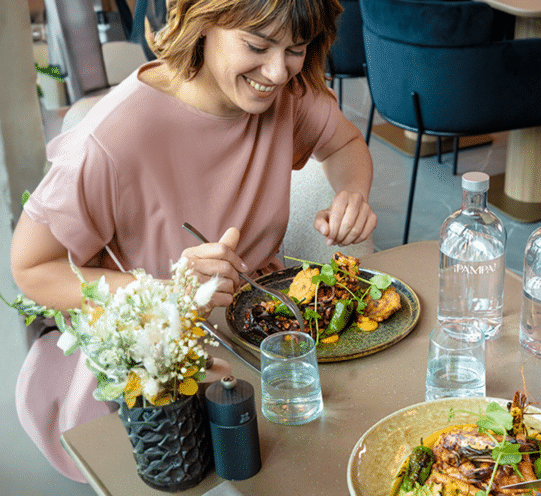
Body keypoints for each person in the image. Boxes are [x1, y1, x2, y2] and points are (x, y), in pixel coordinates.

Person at [9, 0, 375, 482]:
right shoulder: (113, 139)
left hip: (265, 332)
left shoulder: (289, 91)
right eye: (257, 45)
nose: (277, 71)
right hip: (160, 360)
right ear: (203, 22)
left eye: (295, 49)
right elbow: (32, 269)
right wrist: (165, 291)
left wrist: (351, 193)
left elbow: (345, 144)